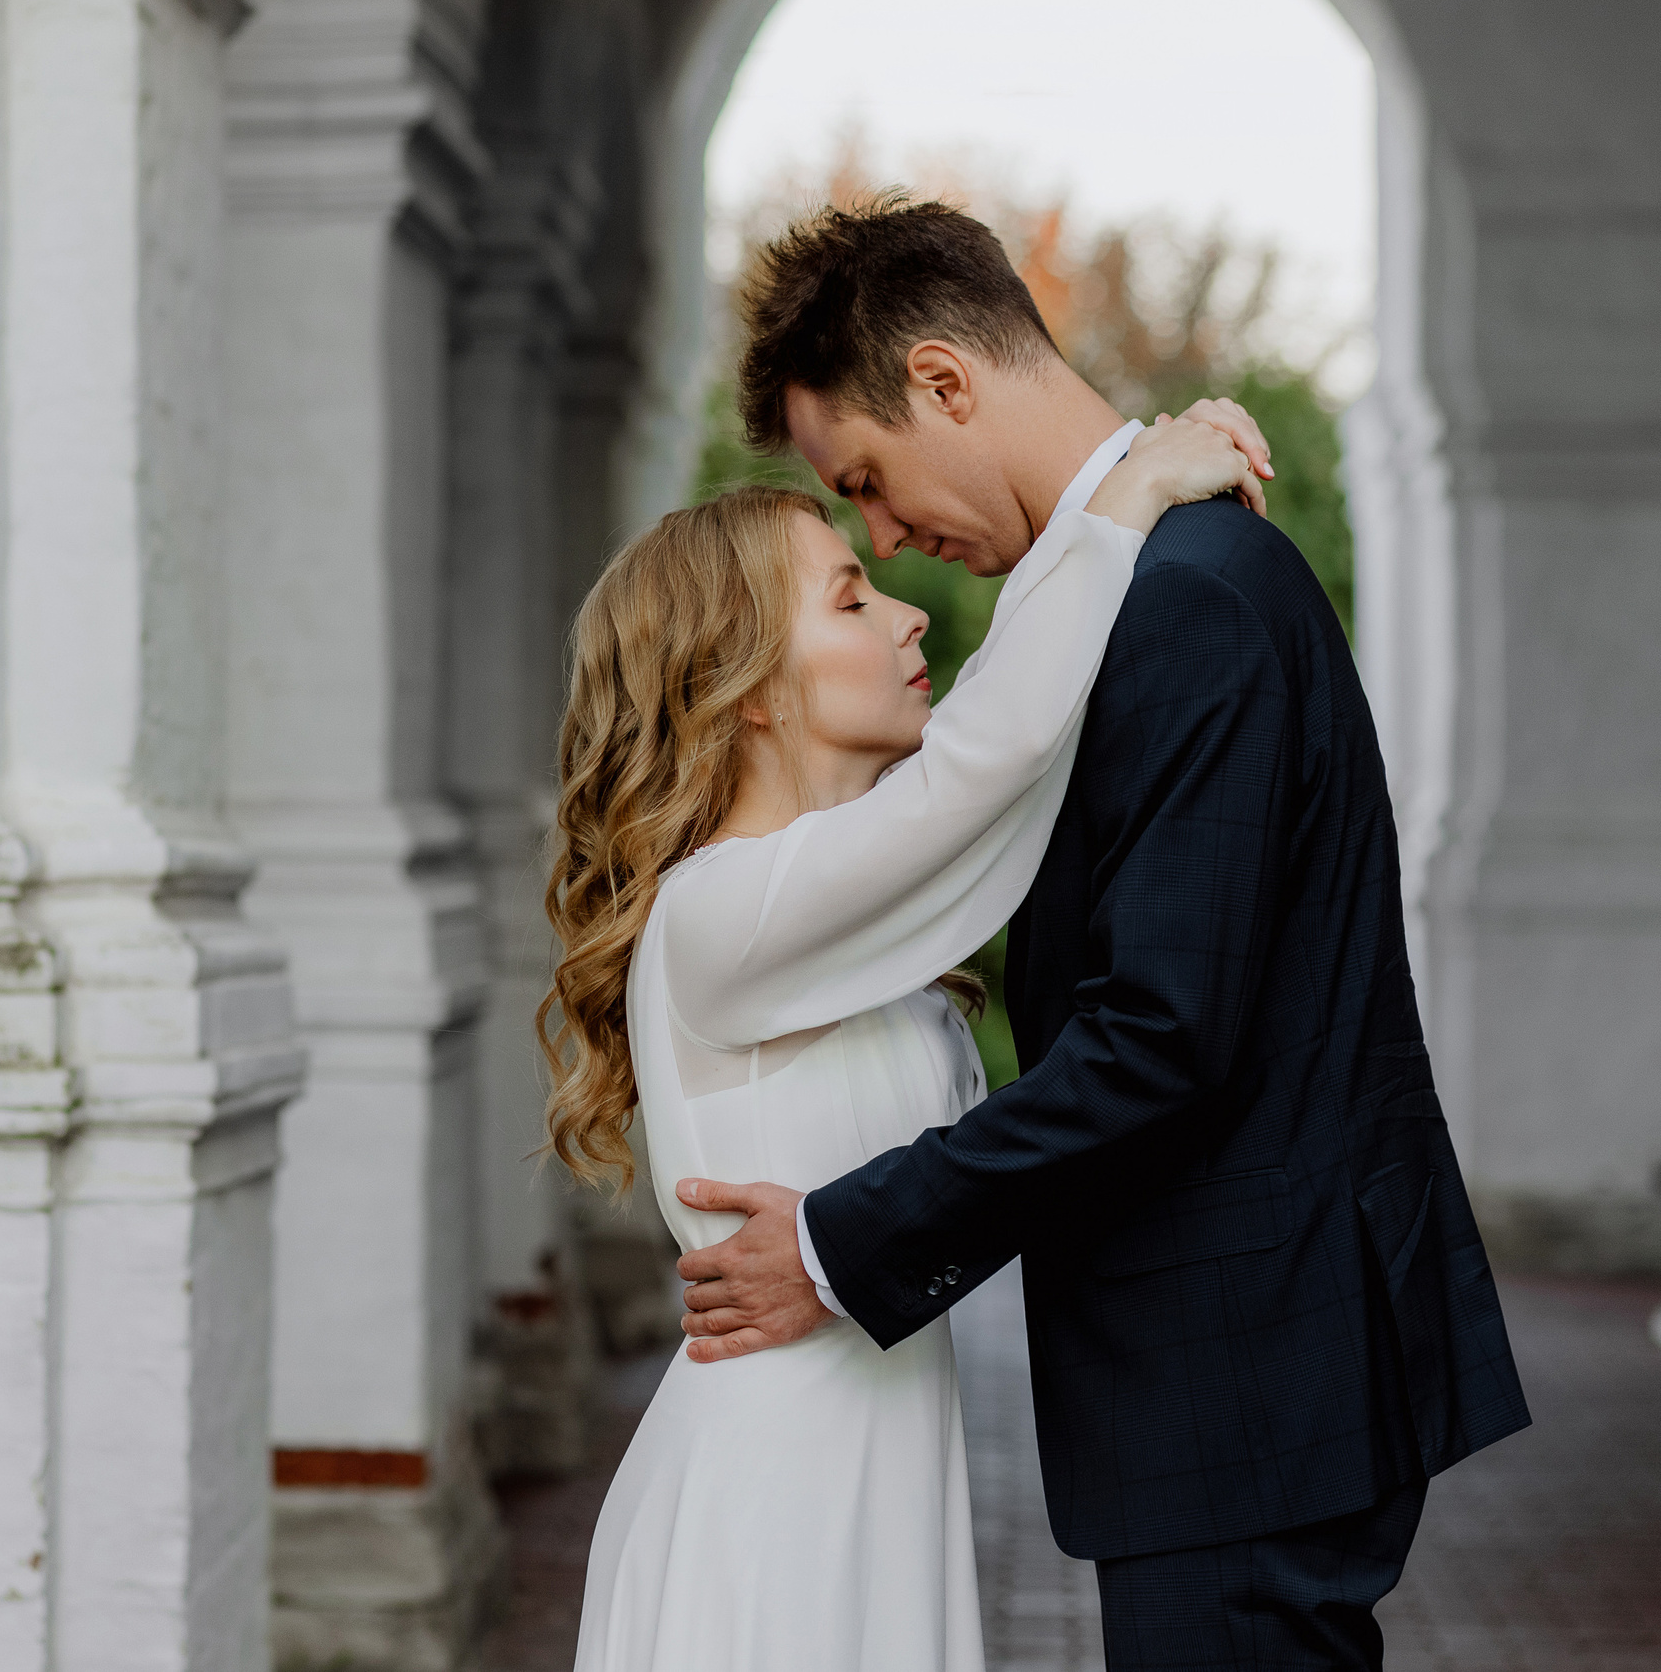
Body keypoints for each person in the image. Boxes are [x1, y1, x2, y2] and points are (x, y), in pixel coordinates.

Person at [669, 197, 1531, 1670]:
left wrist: (828, 1243)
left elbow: (1159, 1039)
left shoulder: (1182, 601)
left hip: (1249, 1368)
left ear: (946, 381)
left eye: (868, 482)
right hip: (1252, 1366)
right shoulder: (1139, 588)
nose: (883, 532)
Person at [541, 395, 1266, 1670]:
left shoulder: (842, 923)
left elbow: (991, 775)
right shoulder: (719, 915)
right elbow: (988, 757)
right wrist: (1130, 489)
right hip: (769, 1522)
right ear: (744, 689)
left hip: (876, 1487)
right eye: (848, 601)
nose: (909, 611)